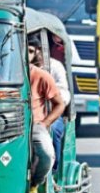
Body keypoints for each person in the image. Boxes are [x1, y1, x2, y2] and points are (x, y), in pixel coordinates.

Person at [27, 37, 66, 193]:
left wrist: (45, 122)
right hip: (4, 124)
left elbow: (61, 102)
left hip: (35, 124)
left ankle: (36, 184)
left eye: (30, 51)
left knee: (46, 153)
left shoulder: (45, 74)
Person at [29, 34, 71, 169]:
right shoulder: (17, 70)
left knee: (53, 131)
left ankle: (53, 171)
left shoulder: (54, 67)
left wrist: (46, 121)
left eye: (32, 51)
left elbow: (63, 96)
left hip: (49, 114)